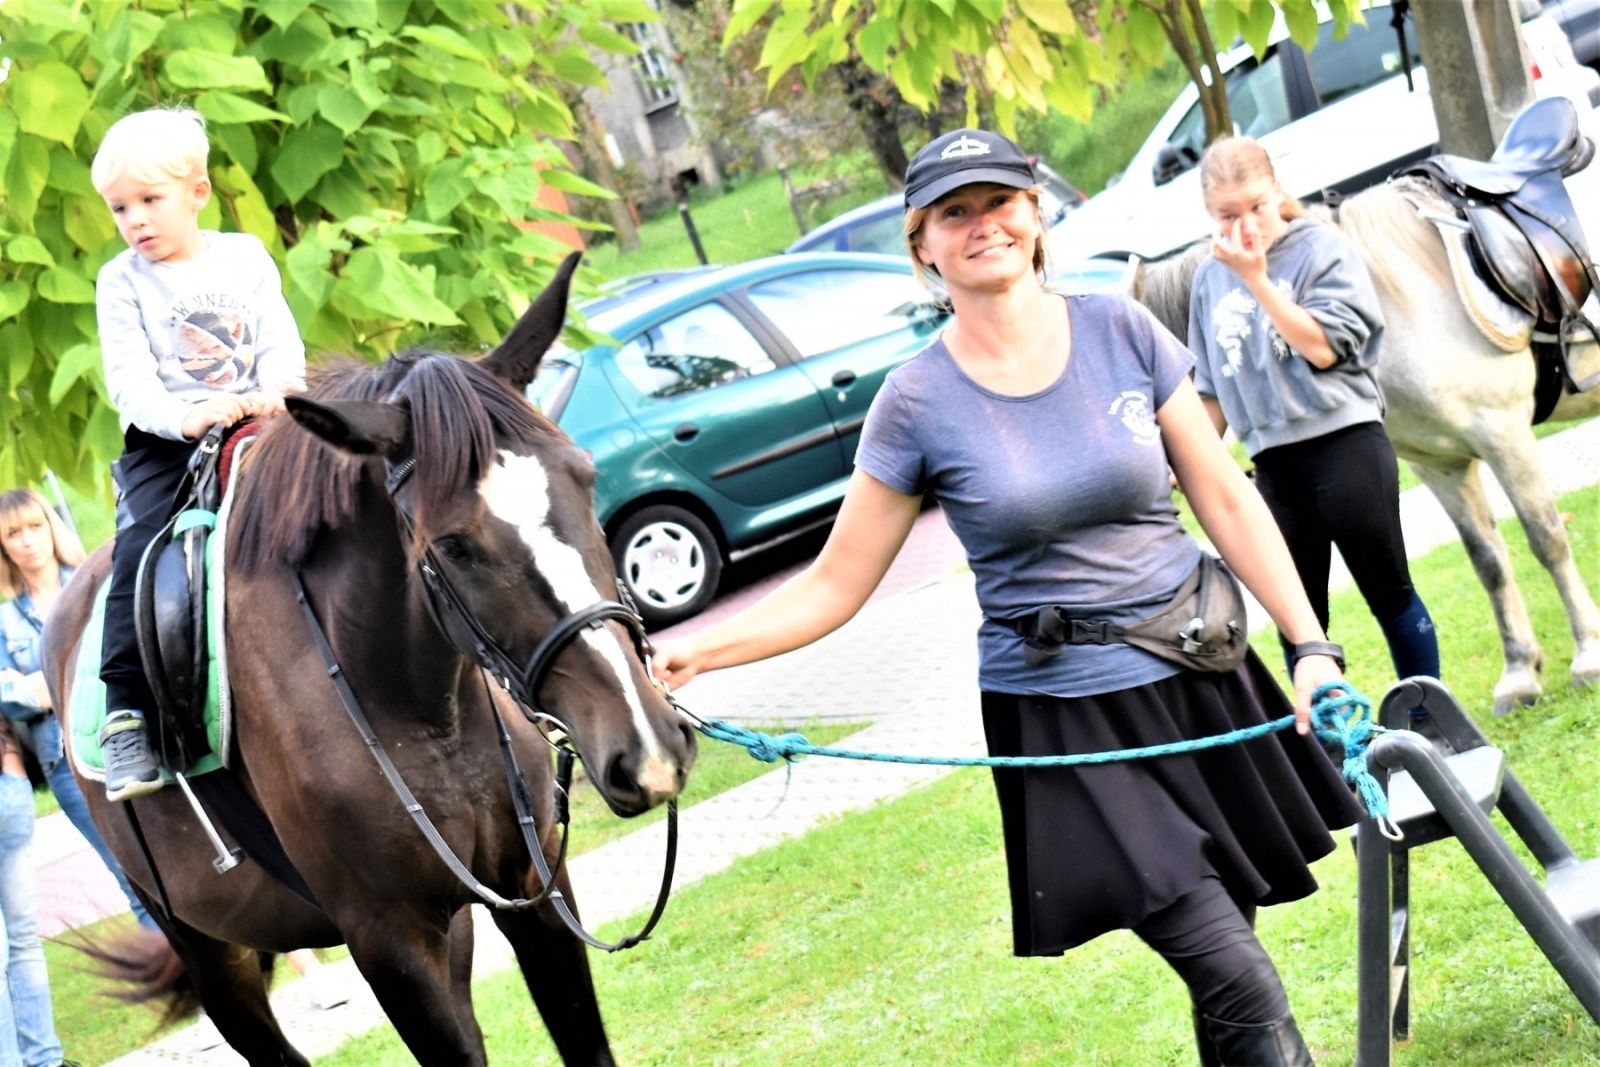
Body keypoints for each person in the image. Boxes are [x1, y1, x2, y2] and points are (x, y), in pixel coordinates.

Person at [652, 128, 1363, 1066]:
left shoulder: (1121, 330)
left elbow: (1225, 496)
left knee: (1230, 945)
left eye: (999, 201)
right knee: (1235, 971)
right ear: (923, 244)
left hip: (1198, 673)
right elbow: (835, 581)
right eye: (955, 212)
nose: (983, 224)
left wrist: (1311, 648)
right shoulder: (914, 402)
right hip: (1066, 716)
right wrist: (699, 651)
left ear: (1035, 215)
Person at [90, 106, 306, 801]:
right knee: (139, 548)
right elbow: (129, 382)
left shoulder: (244, 255)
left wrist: (280, 392)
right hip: (168, 444)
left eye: (150, 201)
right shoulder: (121, 281)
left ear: (198, 194)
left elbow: (278, 339)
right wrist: (185, 417)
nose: (135, 220)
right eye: (120, 208)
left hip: (263, 421)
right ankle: (126, 708)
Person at [1187, 136, 1441, 707]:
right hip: (1273, 466)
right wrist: (1189, 456)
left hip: (1344, 445)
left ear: (1277, 190)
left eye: (1256, 206)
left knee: (1390, 592)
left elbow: (1323, 349)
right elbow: (1211, 389)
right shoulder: (1208, 278)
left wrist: (1257, 279)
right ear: (1208, 212)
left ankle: (1431, 719)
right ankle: (1332, 738)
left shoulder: (1321, 248)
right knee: (1300, 620)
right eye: (1227, 215)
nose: (1245, 226)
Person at [0, 488, 157, 931]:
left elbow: (132, 651)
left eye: (35, 526)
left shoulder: (98, 581)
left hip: (133, 735)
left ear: (51, 527)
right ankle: (184, 975)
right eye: (13, 533)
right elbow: (9, 696)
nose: (28, 540)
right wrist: (84, 675)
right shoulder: (5, 622)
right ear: (3, 547)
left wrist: (44, 684)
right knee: (133, 879)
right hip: (67, 766)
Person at [0, 713, 68, 1067]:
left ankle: (41, 1060)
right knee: (22, 945)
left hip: (9, 792)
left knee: (24, 942)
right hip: (9, 785)